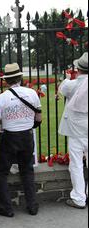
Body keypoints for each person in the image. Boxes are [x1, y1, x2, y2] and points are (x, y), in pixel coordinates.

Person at [0, 63, 41, 217]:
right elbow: (39, 118)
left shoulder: (2, 98)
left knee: (1, 172)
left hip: (10, 137)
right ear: (20, 78)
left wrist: (2, 121)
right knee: (27, 171)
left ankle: (6, 207)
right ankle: (32, 205)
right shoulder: (32, 93)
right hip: (26, 135)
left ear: (6, 80)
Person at [58, 52, 88, 209]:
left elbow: (62, 89)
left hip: (76, 129)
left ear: (79, 69)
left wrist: (68, 77)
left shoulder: (72, 84)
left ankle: (79, 197)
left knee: (76, 164)